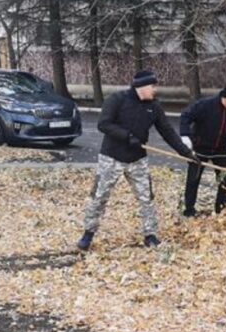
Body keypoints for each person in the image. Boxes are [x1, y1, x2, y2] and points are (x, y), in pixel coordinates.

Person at [77, 70, 195, 250]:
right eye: (153, 86)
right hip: (111, 157)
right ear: (142, 87)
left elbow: (168, 132)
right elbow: (103, 124)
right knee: (99, 197)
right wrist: (127, 136)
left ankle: (151, 235)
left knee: (146, 198)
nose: (155, 90)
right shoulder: (116, 100)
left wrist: (186, 153)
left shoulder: (154, 107)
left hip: (137, 160)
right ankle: (88, 234)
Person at [179, 83, 226, 217]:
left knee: (225, 179)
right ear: (225, 97)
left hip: (220, 149)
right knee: (193, 179)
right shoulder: (206, 105)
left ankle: (221, 209)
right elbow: (186, 116)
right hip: (200, 148)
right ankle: (189, 209)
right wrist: (185, 135)